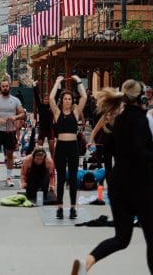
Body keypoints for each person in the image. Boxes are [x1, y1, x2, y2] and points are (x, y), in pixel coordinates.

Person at [71, 80, 153, 275]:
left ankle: (87, 262)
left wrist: (109, 180)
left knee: (121, 238)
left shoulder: (118, 121)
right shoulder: (140, 119)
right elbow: (139, 151)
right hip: (140, 185)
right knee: (152, 240)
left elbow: (107, 153)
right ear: (141, 97)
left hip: (119, 186)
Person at [49, 74, 88, 219]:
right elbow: (52, 99)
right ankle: (59, 207)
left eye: (69, 99)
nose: (67, 101)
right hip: (60, 147)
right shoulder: (57, 112)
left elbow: (84, 97)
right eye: (65, 99)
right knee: (60, 179)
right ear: (62, 101)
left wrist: (78, 81)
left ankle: (72, 207)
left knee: (72, 178)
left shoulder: (76, 112)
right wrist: (57, 82)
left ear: (72, 101)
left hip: (72, 147)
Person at [0, 76, 26, 187]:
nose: (5, 88)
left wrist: (15, 117)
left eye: (6, 86)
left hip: (10, 131)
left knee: (9, 155)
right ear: (0, 88)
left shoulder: (15, 100)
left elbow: (23, 114)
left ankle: (9, 178)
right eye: (3, 86)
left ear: (9, 87)